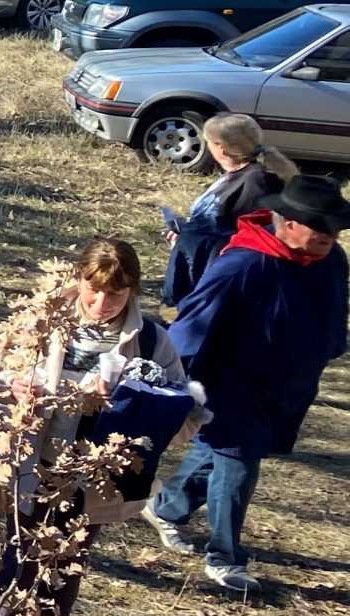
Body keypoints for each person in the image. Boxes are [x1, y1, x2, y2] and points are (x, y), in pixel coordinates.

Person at [0, 239, 197, 616]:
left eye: (115, 294)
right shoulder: (39, 323)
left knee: (66, 560)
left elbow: (184, 414)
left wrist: (132, 403)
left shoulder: (151, 342)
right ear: (79, 279)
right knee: (19, 552)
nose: (100, 304)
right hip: (32, 461)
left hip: (96, 475)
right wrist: (12, 385)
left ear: (133, 291)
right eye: (93, 291)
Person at [144, 175, 350, 592]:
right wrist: (177, 384)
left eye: (334, 229)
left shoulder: (331, 260)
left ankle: (167, 507)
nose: (330, 236)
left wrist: (329, 347)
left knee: (224, 453)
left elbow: (334, 309)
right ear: (288, 222)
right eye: (320, 227)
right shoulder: (242, 264)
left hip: (288, 384)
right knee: (239, 462)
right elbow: (191, 324)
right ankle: (225, 559)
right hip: (231, 383)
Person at [163, 114, 296, 309]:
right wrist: (186, 231)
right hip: (194, 264)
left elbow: (248, 235)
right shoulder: (234, 175)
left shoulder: (257, 182)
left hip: (215, 277)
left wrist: (198, 237)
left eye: (208, 141)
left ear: (220, 146)